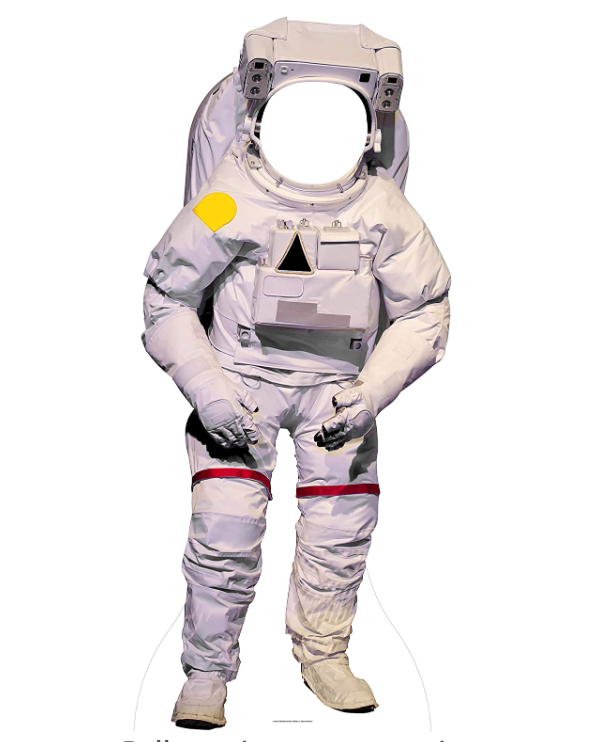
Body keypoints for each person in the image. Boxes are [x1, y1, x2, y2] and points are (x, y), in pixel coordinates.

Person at [142, 17, 451, 729]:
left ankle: (325, 655)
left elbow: (425, 308)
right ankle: (207, 673)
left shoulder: (382, 208)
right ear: (261, 114)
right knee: (224, 531)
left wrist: (371, 392)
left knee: (341, 529)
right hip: (241, 383)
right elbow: (167, 295)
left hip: (338, 392)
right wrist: (210, 391)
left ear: (368, 129)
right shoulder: (228, 199)